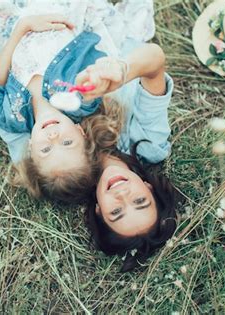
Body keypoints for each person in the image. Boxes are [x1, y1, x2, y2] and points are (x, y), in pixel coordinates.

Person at [0, 0, 156, 203]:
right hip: (60, 10)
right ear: (81, 133)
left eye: (46, 150)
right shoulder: (82, 98)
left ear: (30, 151)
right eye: (67, 142)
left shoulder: (12, 118)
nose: (53, 137)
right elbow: (93, 47)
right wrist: (95, 77)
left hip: (10, 27)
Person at [76, 41, 178, 272]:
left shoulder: (65, 170)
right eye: (139, 201)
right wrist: (119, 73)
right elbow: (154, 60)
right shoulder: (150, 145)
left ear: (99, 211)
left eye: (116, 212)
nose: (123, 195)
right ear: (148, 188)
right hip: (104, 39)